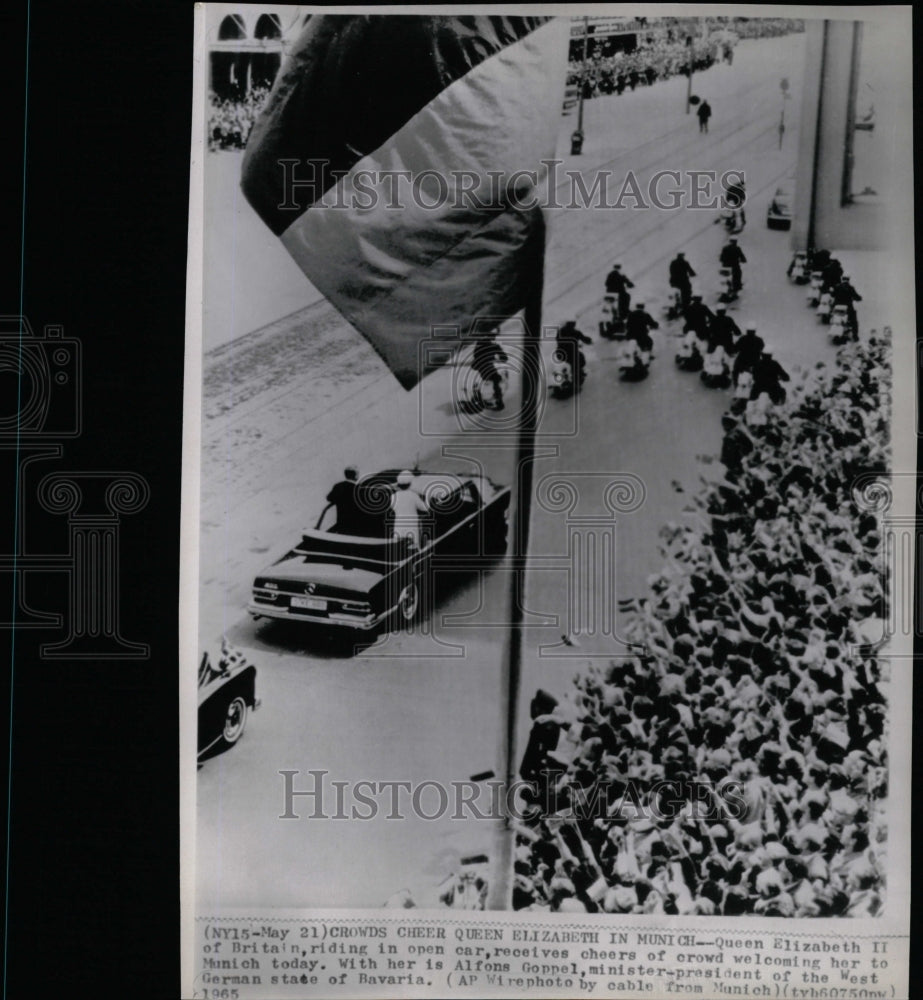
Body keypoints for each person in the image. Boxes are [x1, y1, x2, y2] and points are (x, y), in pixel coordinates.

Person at [390, 470, 429, 550]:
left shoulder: (393, 497)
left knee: (399, 548)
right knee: (414, 548)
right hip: (412, 528)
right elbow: (425, 508)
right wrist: (428, 498)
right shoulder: (413, 495)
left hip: (398, 527)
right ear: (410, 484)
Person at [471, 337, 509, 410]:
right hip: (486, 368)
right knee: (496, 378)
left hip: (484, 368)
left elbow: (475, 361)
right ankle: (497, 400)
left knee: (495, 378)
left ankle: (496, 399)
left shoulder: (479, 347)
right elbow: (504, 358)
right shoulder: (492, 346)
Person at [322, 465, 362, 534]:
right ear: (356, 475)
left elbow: (329, 498)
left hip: (341, 524)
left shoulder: (338, 486)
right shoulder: (360, 488)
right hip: (357, 525)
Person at [557, 320, 593, 386]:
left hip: (560, 354)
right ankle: (577, 379)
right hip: (571, 354)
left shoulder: (560, 331)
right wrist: (590, 340)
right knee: (580, 359)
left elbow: (558, 340)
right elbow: (584, 339)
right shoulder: (576, 332)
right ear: (573, 325)